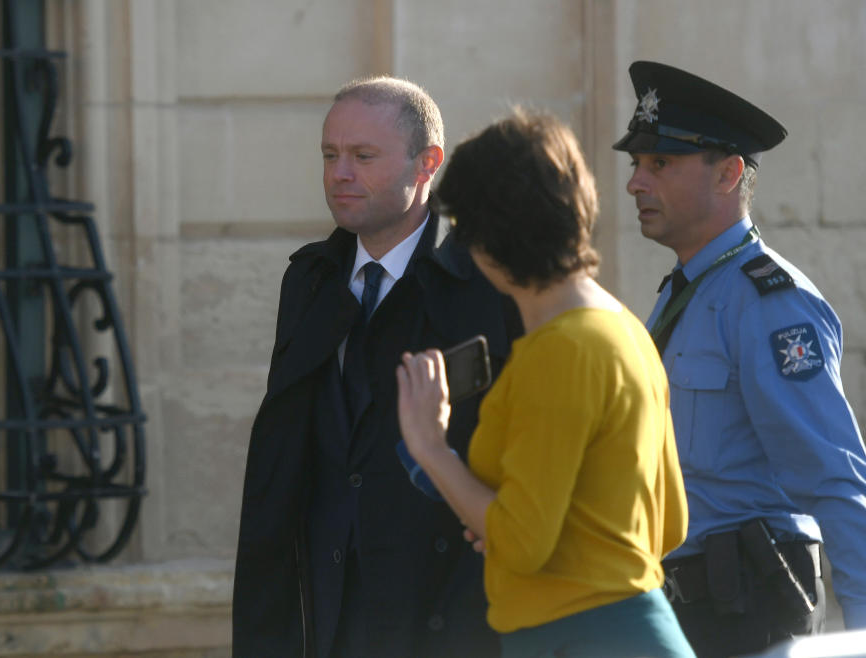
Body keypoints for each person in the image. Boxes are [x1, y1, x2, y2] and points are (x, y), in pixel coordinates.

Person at [231, 76, 521, 658]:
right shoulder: (310, 280)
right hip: (329, 613)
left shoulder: (490, 284)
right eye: (330, 155)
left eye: (363, 156)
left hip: (448, 616)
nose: (339, 173)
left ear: (427, 163)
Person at [397, 108, 694, 657]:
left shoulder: (560, 349)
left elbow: (522, 544)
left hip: (580, 638)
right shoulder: (625, 328)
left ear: (489, 237)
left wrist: (430, 448)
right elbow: (670, 523)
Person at [613, 60, 866, 656]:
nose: (635, 183)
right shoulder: (691, 291)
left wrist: (861, 637)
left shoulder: (769, 304)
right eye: (636, 164)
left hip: (746, 608)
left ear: (728, 174)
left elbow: (836, 481)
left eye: (660, 164)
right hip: (686, 608)